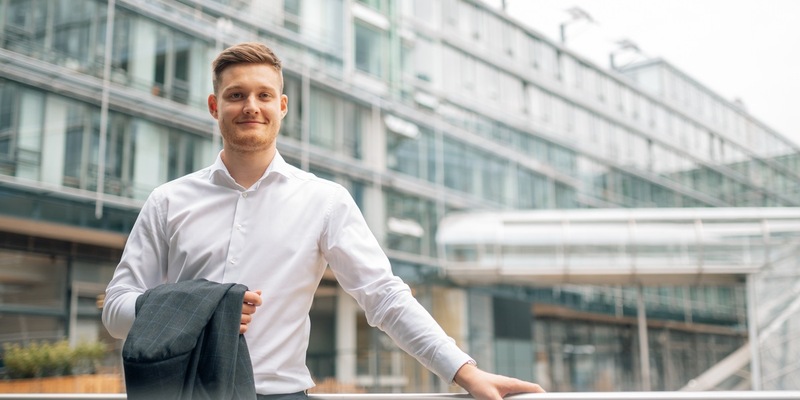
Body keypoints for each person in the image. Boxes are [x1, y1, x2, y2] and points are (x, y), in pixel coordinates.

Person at [102, 42, 545, 400]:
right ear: (215, 106)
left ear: (282, 106)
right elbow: (116, 311)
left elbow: (384, 297)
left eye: (264, 95)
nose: (251, 106)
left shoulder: (324, 201)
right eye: (236, 95)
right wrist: (198, 306)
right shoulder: (168, 200)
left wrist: (464, 371)